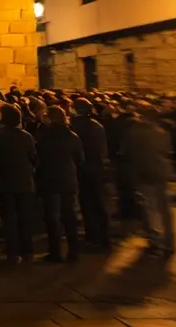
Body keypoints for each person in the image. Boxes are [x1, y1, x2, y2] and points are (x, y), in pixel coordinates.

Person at [120, 106, 175, 257]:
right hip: (160, 172)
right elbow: (167, 151)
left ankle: (155, 239)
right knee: (164, 208)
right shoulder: (161, 132)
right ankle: (169, 241)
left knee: (148, 208)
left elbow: (126, 153)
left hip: (143, 173)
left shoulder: (134, 133)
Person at [0, 102, 37, 263]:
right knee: (24, 216)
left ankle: (13, 252)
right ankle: (27, 250)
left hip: (5, 182)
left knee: (9, 218)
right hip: (24, 181)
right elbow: (34, 158)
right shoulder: (26, 136)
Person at [36, 106, 84, 263]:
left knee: (53, 217)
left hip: (50, 180)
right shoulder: (72, 136)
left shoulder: (44, 135)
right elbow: (79, 158)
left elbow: (38, 157)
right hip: (68, 179)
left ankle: (55, 252)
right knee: (69, 216)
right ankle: (74, 251)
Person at [70, 99, 110, 250]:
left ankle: (93, 238)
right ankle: (103, 237)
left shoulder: (79, 127)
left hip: (85, 170)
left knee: (89, 205)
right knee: (98, 204)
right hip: (97, 168)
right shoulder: (96, 125)